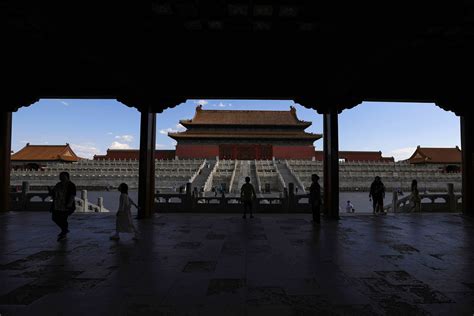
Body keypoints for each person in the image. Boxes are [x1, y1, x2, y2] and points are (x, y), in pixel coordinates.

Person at [48, 171, 76, 241]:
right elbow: (53, 193)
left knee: (63, 219)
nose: (61, 177)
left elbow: (72, 195)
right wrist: (50, 191)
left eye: (63, 176)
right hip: (57, 204)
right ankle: (64, 230)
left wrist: (69, 204)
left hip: (65, 205)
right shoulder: (58, 184)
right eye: (60, 176)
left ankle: (64, 233)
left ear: (67, 177)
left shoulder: (71, 185)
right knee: (54, 218)